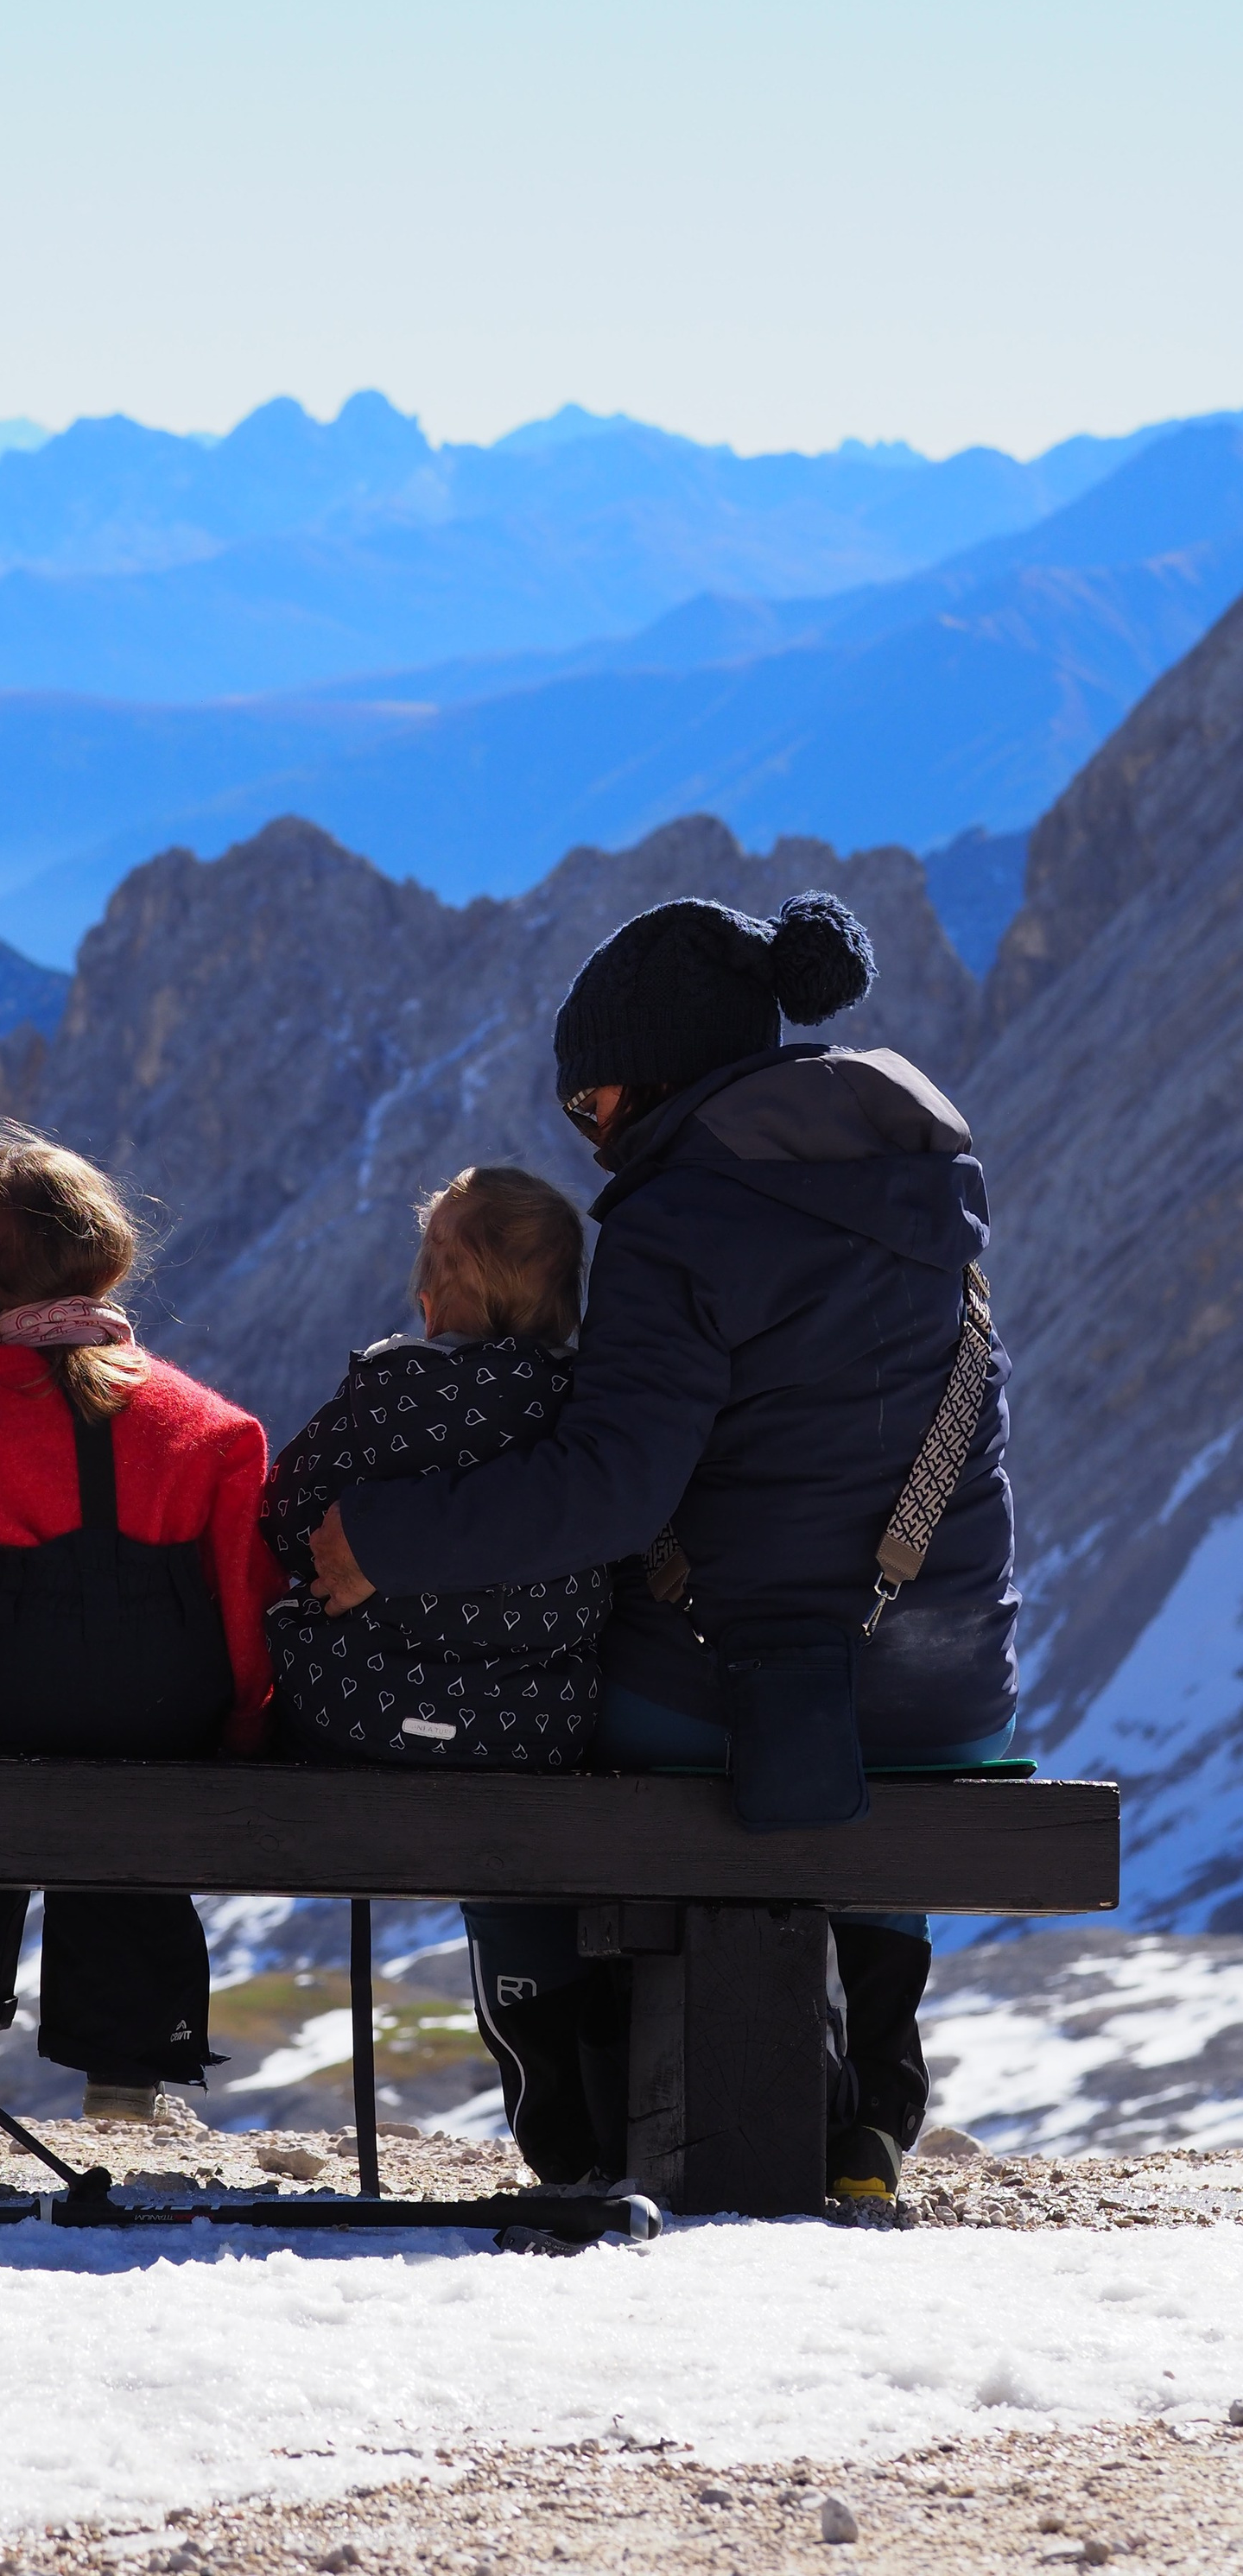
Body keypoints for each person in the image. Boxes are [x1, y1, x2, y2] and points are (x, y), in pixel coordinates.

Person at [308, 890, 1015, 2202]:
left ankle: (577, 2122)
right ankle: (870, 2112)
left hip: (722, 1686)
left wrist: (386, 1537)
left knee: (524, 1753)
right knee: (864, 1772)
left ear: (652, 1082)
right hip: (946, 1685)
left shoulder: (676, 1219)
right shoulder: (931, 1184)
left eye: (590, 1106)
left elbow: (611, 1490)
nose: (587, 1141)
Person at [0, 1136, 282, 2123]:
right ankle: (128, 2066)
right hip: (162, 1715)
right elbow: (244, 1598)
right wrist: (243, 1726)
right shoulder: (214, 1426)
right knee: (131, 1835)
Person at [259, 1165, 611, 1767]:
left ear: (428, 1307)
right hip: (533, 1728)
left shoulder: (385, 1396)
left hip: (352, 1710)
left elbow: (284, 1516)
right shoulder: (586, 1413)